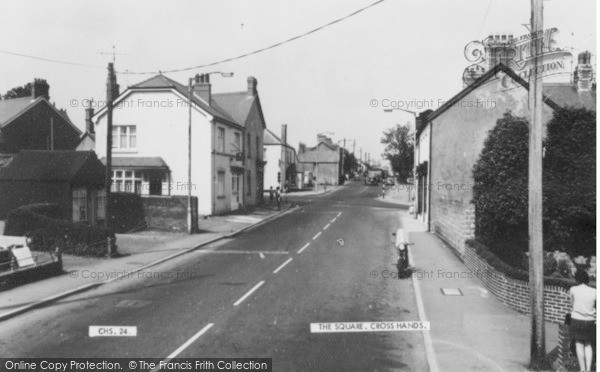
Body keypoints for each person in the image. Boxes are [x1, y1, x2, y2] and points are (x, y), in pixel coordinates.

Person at [569, 268, 596, 372]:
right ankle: (589, 369)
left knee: (579, 344)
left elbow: (572, 305)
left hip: (576, 320)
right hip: (589, 321)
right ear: (587, 279)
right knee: (588, 344)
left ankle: (582, 369)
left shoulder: (573, 289)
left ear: (577, 279)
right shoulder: (595, 291)